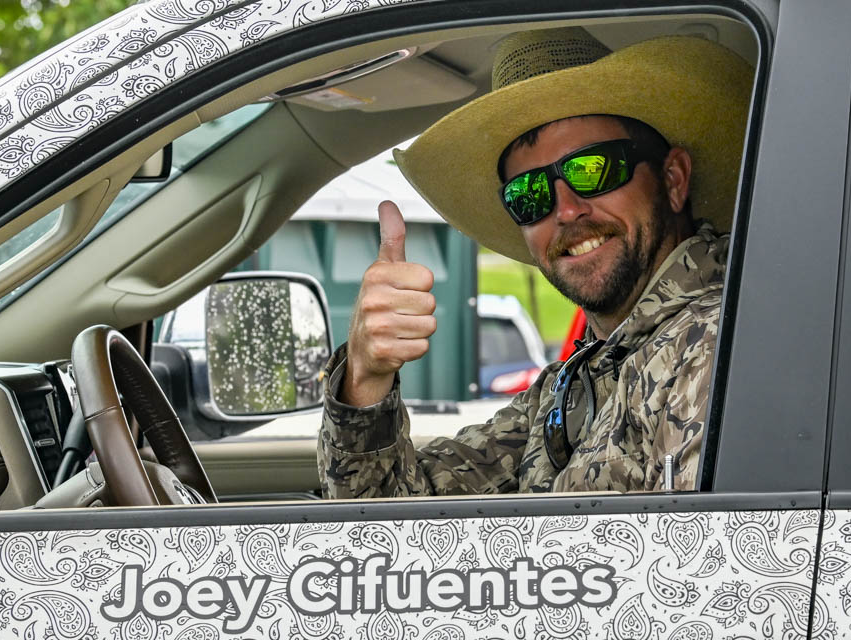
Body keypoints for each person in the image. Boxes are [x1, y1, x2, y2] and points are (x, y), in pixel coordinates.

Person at [317, 28, 752, 497]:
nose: (566, 210)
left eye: (593, 169)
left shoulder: (716, 346)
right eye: (529, 194)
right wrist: (366, 376)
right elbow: (384, 519)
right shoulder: (569, 388)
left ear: (673, 179)